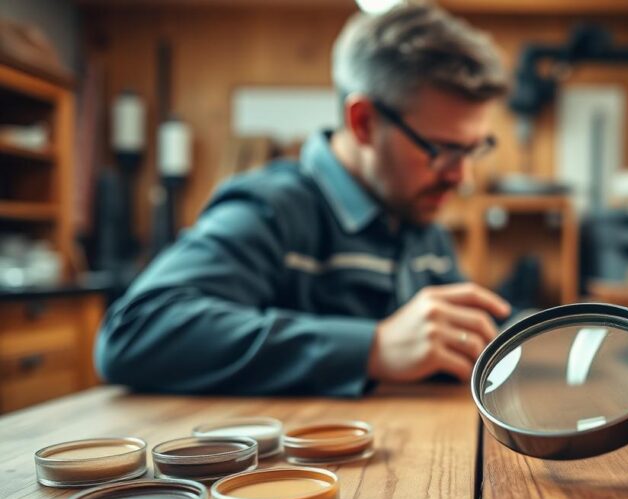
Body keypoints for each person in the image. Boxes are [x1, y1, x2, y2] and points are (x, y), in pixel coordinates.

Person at [94, 4, 511, 396]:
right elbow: (134, 332)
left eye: (474, 149)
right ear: (364, 122)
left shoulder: (419, 220)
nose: (462, 176)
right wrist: (373, 348)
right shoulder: (272, 210)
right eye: (443, 150)